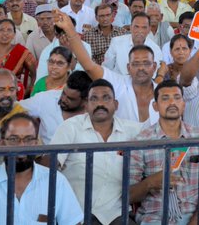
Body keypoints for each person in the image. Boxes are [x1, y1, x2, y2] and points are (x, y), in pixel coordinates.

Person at [0, 112, 84, 224]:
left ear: (36, 145)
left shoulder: (56, 182)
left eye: (28, 139)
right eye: (13, 139)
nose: (21, 146)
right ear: (1, 144)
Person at [50, 79, 142, 225]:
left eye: (106, 98)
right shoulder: (70, 127)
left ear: (116, 104)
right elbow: (51, 165)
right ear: (86, 105)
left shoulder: (134, 131)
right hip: (77, 213)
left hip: (117, 214)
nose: (100, 103)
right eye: (94, 98)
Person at [128, 80, 199, 225]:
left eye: (177, 97)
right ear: (155, 106)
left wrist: (195, 221)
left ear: (183, 104)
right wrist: (149, 183)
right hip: (155, 216)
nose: (172, 102)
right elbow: (129, 195)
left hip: (195, 215)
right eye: (165, 98)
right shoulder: (140, 141)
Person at [56, 9, 159, 124]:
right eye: (136, 64)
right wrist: (70, 30)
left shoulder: (163, 93)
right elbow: (89, 66)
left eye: (146, 63)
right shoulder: (119, 84)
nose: (141, 68)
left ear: (154, 67)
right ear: (128, 68)